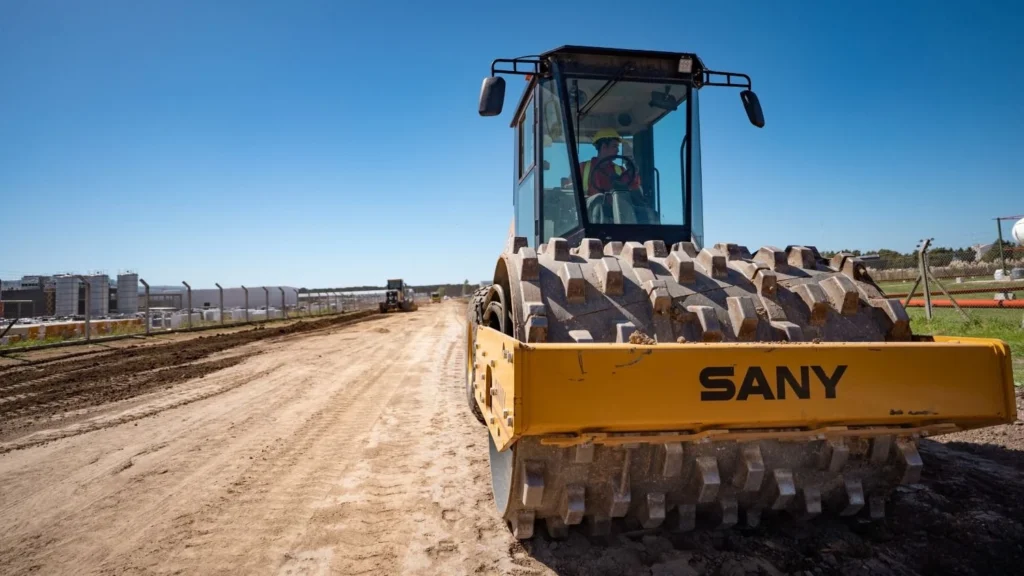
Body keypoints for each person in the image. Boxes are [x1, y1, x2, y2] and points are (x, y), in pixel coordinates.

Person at [579, 128, 641, 198]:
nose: (617, 150)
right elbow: (570, 189)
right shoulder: (582, 168)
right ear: (604, 147)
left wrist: (633, 173)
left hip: (616, 207)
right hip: (588, 207)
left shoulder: (621, 170)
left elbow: (634, 189)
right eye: (615, 146)